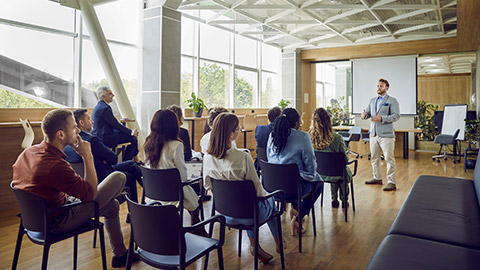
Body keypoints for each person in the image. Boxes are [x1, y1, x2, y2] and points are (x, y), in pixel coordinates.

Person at [11, 109, 134, 268]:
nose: (78, 131)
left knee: (112, 206)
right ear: (61, 134)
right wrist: (87, 156)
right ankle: (121, 198)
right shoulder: (56, 166)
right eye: (75, 127)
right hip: (58, 221)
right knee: (119, 177)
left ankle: (120, 255)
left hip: (35, 219)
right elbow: (90, 194)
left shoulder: (28, 153)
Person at [203, 113, 285, 264]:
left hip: (224, 215)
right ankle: (278, 241)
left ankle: (255, 244)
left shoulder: (207, 158)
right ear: (231, 134)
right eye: (237, 128)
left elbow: (207, 186)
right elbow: (258, 191)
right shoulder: (243, 157)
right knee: (268, 200)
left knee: (247, 202)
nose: (240, 129)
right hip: (249, 215)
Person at [143, 109, 204, 234]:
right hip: (173, 192)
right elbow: (182, 176)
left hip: (153, 192)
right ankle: (196, 229)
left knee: (190, 195)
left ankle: (198, 229)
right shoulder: (176, 145)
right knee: (195, 203)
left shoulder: (148, 144)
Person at [64, 109, 143, 203]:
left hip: (82, 181)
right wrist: (104, 159)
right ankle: (147, 196)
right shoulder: (92, 140)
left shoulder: (66, 142)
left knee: (131, 164)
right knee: (131, 174)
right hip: (102, 177)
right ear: (81, 123)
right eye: (89, 119)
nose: (92, 121)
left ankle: (141, 203)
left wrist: (103, 159)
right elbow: (114, 159)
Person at [266, 108, 323, 235]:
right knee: (318, 183)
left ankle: (295, 209)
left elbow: (270, 159)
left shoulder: (272, 136)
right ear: (296, 123)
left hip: (273, 188)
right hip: (293, 189)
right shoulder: (303, 137)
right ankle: (298, 217)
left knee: (293, 178)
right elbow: (311, 167)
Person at [361, 78, 400, 191]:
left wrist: (382, 118)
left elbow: (396, 116)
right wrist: (364, 115)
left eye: (381, 86)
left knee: (389, 158)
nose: (379, 88)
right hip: (373, 134)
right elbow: (368, 113)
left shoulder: (392, 101)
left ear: (387, 88)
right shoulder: (372, 100)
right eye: (378, 86)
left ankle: (391, 182)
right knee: (374, 157)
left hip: (386, 135)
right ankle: (377, 178)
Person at [310, 107, 352, 208]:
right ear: (329, 121)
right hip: (337, 173)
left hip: (319, 174)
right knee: (342, 170)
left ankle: (334, 198)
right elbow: (344, 160)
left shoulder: (309, 138)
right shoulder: (336, 138)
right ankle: (344, 199)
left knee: (335, 169)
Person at [92, 86, 139, 162]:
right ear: (103, 96)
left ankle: (133, 161)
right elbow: (115, 125)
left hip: (100, 135)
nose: (113, 95)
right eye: (110, 94)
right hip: (105, 138)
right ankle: (127, 162)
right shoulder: (105, 108)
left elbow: (113, 124)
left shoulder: (100, 106)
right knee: (133, 138)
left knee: (128, 134)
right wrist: (131, 132)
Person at [254, 106, 281, 171]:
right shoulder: (281, 132)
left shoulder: (259, 129)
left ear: (268, 118)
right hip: (276, 166)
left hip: (261, 164)